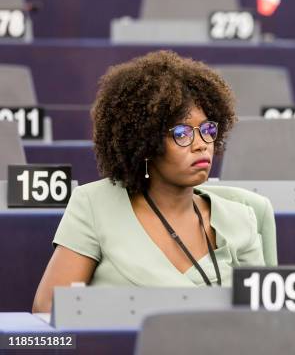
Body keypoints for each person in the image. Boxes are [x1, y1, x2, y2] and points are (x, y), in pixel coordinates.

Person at [32, 51, 276, 313]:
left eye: (207, 130)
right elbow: (48, 309)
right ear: (145, 144)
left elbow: (264, 320)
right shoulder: (94, 206)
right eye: (182, 133)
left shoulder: (241, 219)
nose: (201, 145)